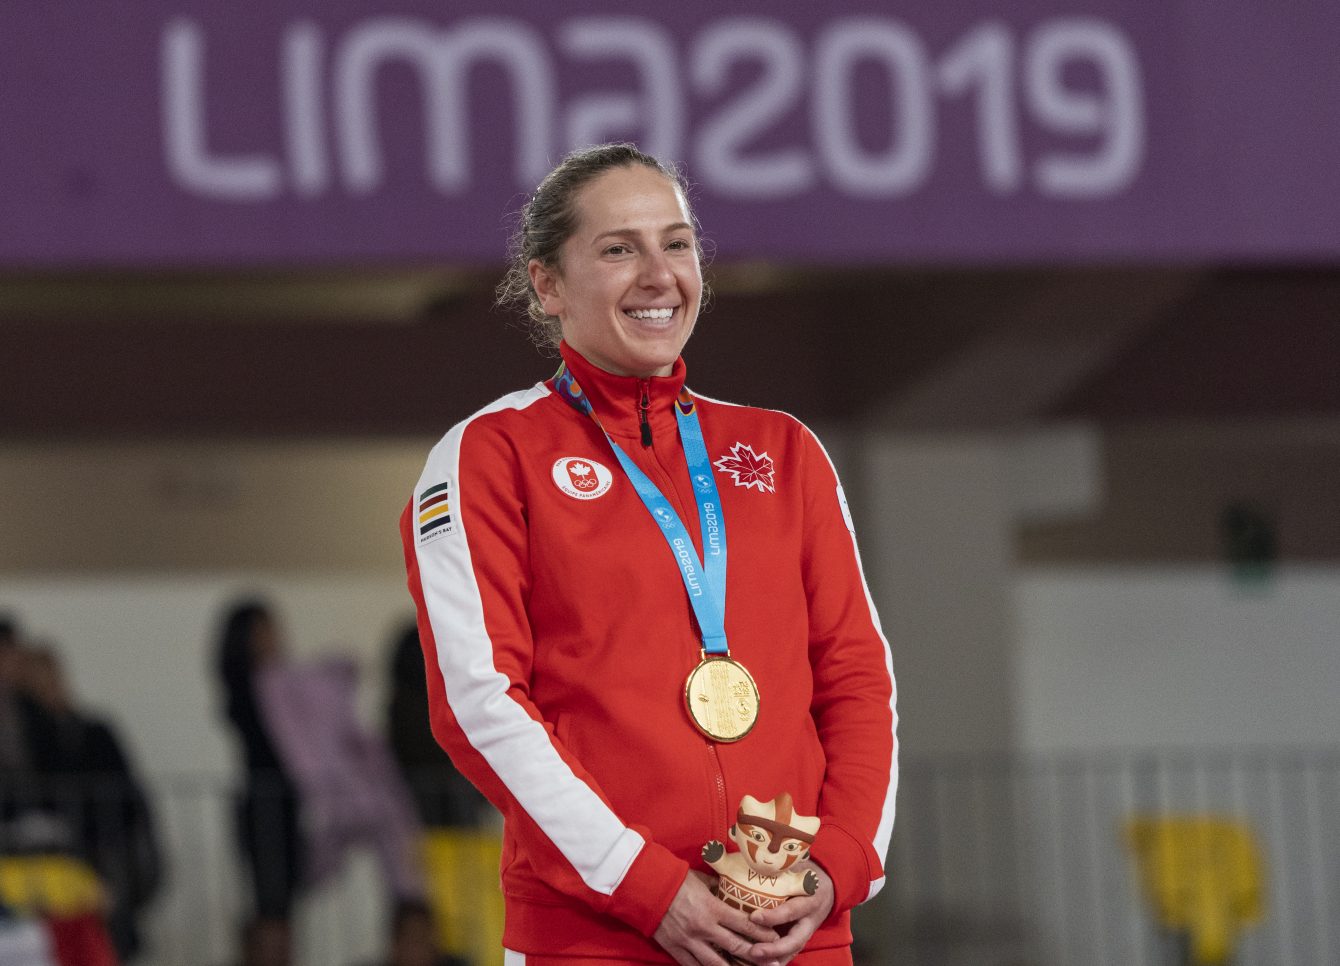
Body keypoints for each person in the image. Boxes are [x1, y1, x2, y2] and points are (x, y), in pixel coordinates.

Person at [400, 143, 897, 966]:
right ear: (547, 285)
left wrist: (836, 867)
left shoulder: (783, 450)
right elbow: (481, 704)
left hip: (790, 932)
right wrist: (643, 887)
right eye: (618, 248)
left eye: (677, 242)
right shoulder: (491, 455)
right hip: (600, 937)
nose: (659, 273)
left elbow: (856, 678)